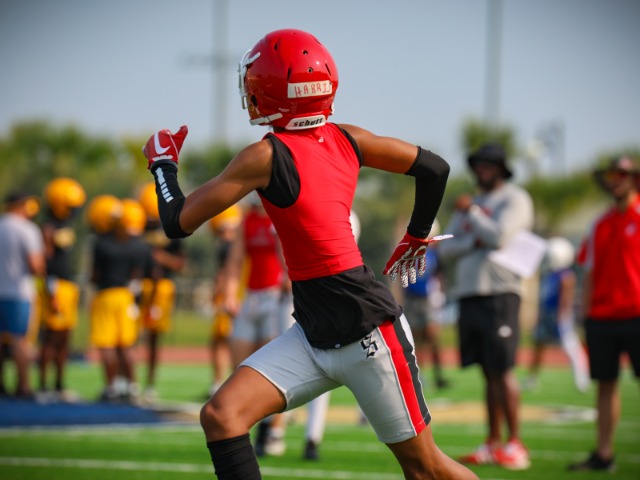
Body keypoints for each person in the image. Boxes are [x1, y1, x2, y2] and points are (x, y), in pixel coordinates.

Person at [142, 28, 477, 480]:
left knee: (427, 470)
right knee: (222, 416)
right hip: (314, 329)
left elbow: (177, 222)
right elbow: (434, 168)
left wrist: (162, 164)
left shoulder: (264, 156)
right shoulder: (348, 137)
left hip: (367, 332)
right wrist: (416, 235)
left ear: (273, 88)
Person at [438, 143, 534, 470]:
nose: (483, 170)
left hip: (500, 292)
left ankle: (515, 443)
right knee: (487, 371)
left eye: (489, 165)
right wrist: (474, 239)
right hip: (470, 294)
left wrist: (474, 216)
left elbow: (500, 237)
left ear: (502, 169)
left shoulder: (514, 198)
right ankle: (493, 442)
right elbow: (446, 248)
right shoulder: (471, 203)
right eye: (479, 164)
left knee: (503, 369)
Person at [568, 156, 640, 472]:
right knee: (605, 385)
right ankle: (604, 454)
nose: (616, 180)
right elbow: (589, 272)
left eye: (622, 174)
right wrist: (585, 316)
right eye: (612, 175)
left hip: (637, 313)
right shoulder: (599, 223)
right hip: (602, 317)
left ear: (634, 179)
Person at [222, 193, 292, 457]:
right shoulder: (247, 221)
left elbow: (287, 255)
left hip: (275, 297)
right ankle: (242, 428)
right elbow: (235, 261)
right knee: (239, 367)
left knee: (271, 370)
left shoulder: (279, 215)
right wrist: (230, 293)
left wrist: (289, 280)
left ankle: (273, 430)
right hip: (252, 297)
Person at [87, 196, 149, 402]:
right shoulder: (135, 245)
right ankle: (132, 386)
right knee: (126, 345)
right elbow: (137, 274)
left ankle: (112, 387)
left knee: (107, 345)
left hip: (106, 295)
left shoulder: (101, 245)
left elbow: (95, 275)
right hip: (126, 296)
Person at [36, 177, 86, 402]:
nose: (73, 210)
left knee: (64, 339)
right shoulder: (48, 227)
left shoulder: (65, 226)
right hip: (55, 286)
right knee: (50, 338)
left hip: (68, 286)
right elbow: (46, 262)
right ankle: (43, 386)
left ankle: (58, 385)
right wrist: (51, 290)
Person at [137, 182, 186, 402]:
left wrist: (161, 258)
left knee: (154, 338)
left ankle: (149, 384)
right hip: (139, 285)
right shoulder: (136, 228)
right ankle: (127, 381)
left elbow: (180, 264)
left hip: (162, 288)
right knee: (129, 337)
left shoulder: (171, 227)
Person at [523, 236, 589, 393]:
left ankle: (581, 379)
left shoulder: (566, 276)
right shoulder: (549, 274)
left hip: (559, 317)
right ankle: (532, 378)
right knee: (539, 346)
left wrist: (562, 317)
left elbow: (566, 298)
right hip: (547, 315)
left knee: (571, 348)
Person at [0, 190, 45, 399]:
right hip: (18, 292)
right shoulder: (27, 229)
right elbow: (35, 265)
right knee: (20, 340)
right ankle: (23, 386)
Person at [401, 219, 450, 390]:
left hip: (429, 299)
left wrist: (440, 296)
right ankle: (418, 374)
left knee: (432, 336)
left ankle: (439, 375)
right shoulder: (408, 251)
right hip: (412, 298)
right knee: (415, 339)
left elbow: (439, 275)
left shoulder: (435, 253)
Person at [207, 204, 244, 397]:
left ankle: (220, 382)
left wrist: (218, 292)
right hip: (240, 294)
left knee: (222, 341)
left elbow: (225, 272)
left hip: (229, 297)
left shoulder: (228, 244)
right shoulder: (238, 240)